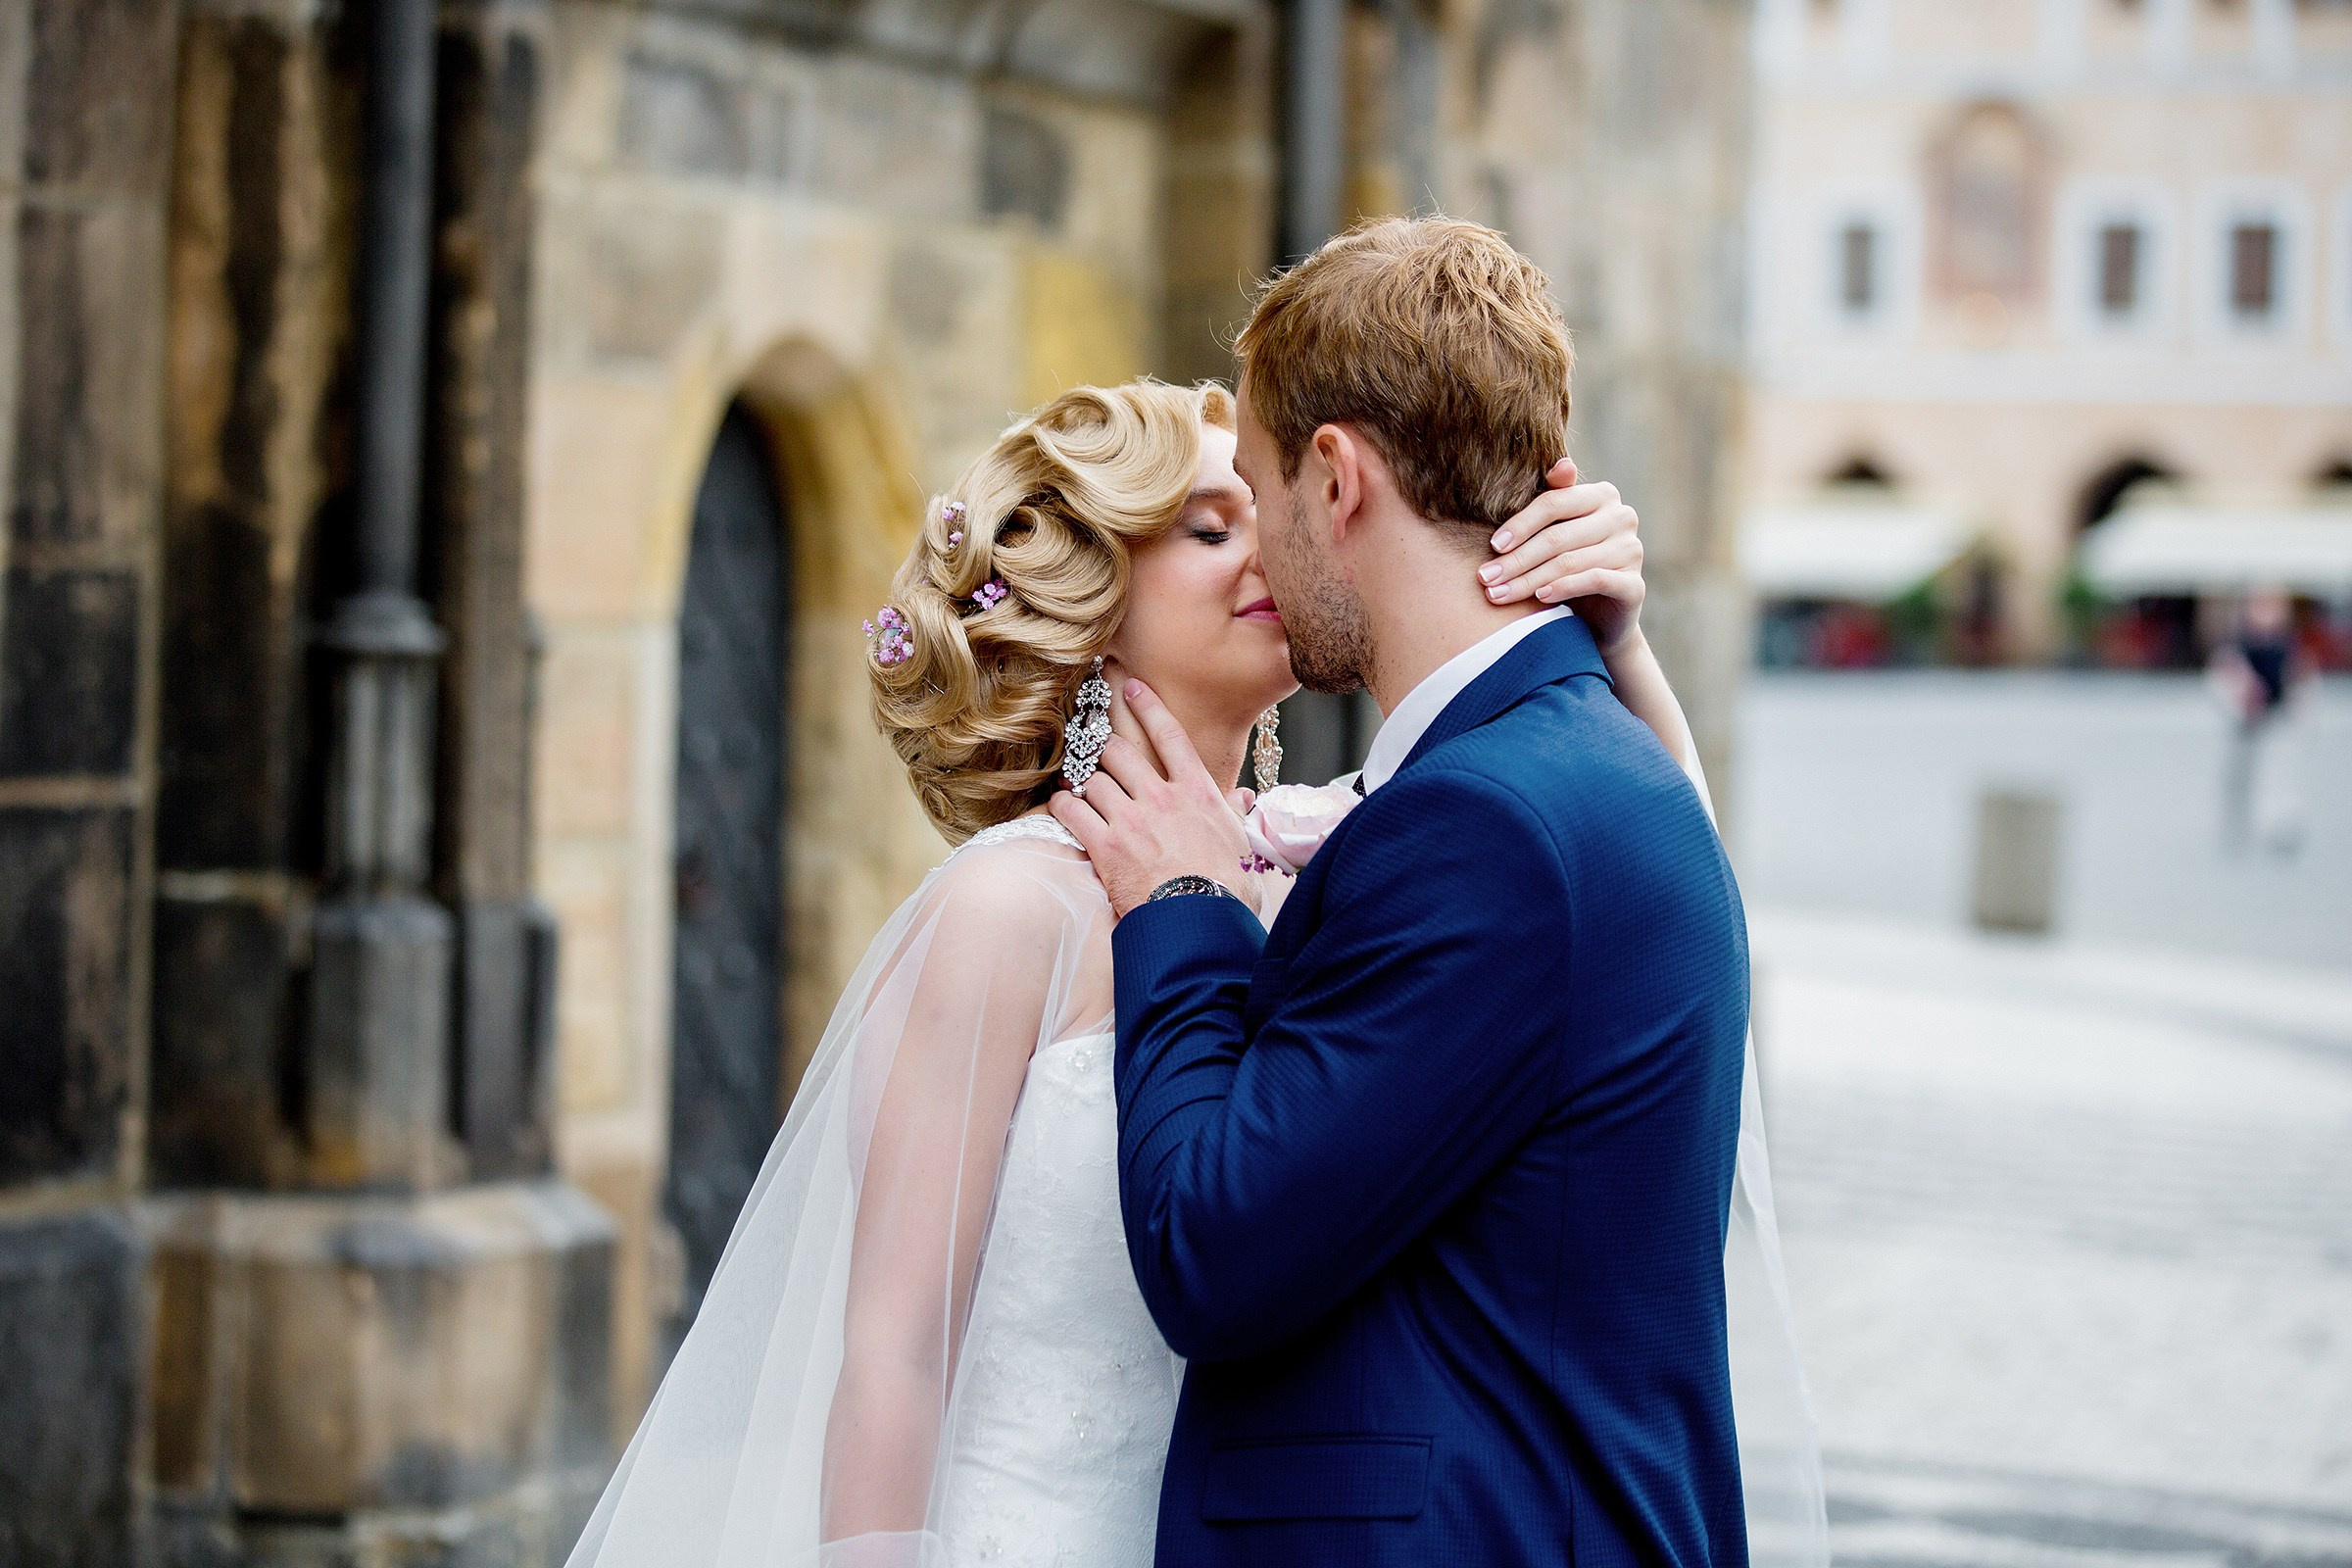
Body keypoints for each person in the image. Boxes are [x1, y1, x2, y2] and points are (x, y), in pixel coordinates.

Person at [565, 366, 1816, 1561]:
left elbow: (1630, 890)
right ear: (1092, 593)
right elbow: (895, 1348)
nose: (1270, 548)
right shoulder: (1013, 910)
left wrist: (1620, 656)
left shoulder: (1344, 858)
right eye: (1211, 529)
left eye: (1260, 512)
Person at [1056, 217, 1799, 1566]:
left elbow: (1212, 1250)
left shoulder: (1483, 823)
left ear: (1335, 479)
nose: (1266, 566)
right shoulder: (1599, 761)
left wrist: (1184, 907)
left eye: (1267, 497)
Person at [2210, 587, 2311, 857]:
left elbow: (2300, 681)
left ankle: (2280, 827)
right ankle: (2238, 828)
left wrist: (2294, 707)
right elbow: (2222, 682)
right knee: (2240, 776)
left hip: (2277, 721)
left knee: (2279, 775)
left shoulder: (2287, 646)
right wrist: (2241, 703)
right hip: (2245, 725)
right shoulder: (2236, 645)